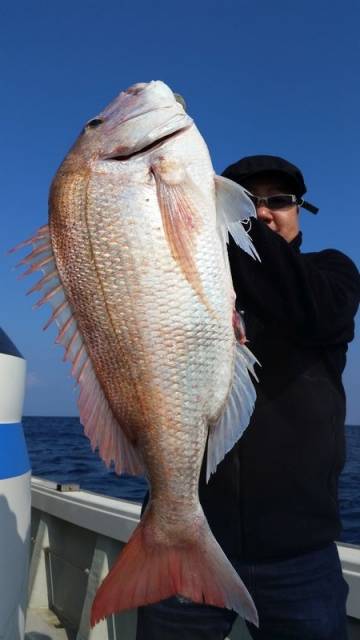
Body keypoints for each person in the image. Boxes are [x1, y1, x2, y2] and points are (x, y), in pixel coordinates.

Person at [136, 155, 360, 640]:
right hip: (184, 542)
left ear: (301, 211)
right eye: (245, 201)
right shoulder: (184, 285)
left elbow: (312, 308)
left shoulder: (331, 273)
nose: (261, 213)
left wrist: (209, 210)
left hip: (299, 555)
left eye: (277, 201)